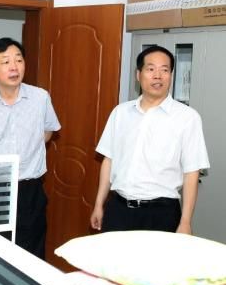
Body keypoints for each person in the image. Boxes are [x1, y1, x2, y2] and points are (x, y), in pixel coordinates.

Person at [90, 45, 210, 234]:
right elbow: (109, 160)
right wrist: (99, 204)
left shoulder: (187, 117)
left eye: (165, 70)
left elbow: (191, 172)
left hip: (161, 213)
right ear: (138, 75)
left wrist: (186, 222)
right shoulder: (120, 113)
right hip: (118, 209)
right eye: (151, 69)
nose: (158, 76)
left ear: (171, 75)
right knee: (111, 255)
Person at [0, 37, 60, 260]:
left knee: (31, 252)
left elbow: (48, 131)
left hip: (29, 188)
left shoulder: (40, 97)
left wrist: (28, 149)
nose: (14, 67)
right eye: (5, 62)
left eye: (18, 60)